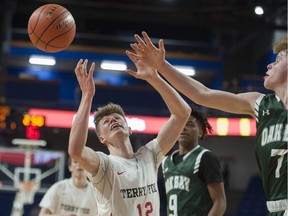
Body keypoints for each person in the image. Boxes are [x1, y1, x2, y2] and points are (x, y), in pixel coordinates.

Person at [126, 32, 287, 215]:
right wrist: (161, 66)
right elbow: (202, 94)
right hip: (275, 208)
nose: (270, 64)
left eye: (279, 59)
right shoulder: (259, 104)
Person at [68, 58, 191, 216]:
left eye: (117, 118)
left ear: (129, 129)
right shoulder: (105, 165)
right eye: (106, 121)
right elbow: (76, 151)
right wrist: (87, 96)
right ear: (102, 139)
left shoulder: (149, 155)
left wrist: (154, 78)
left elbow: (182, 113)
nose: (113, 120)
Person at [162, 107, 226, 216]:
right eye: (181, 124)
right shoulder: (165, 162)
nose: (184, 128)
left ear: (200, 132)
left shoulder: (205, 157)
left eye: (190, 124)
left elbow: (220, 202)